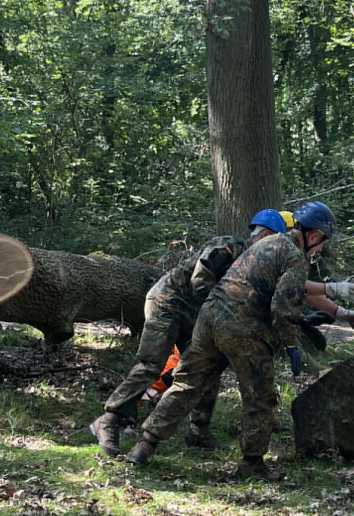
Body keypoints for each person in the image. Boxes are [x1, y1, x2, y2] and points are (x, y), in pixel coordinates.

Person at [126, 202, 337, 480]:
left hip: (209, 318)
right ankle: (252, 464)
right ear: (313, 236)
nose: (320, 248)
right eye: (321, 242)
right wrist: (291, 345)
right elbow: (283, 309)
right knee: (260, 397)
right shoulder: (296, 257)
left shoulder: (267, 243)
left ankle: (145, 445)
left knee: (186, 383)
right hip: (243, 328)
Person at [88, 235, 246, 457]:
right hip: (168, 301)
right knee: (151, 364)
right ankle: (109, 420)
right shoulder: (231, 246)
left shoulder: (251, 263)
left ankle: (199, 431)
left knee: (208, 365)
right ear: (266, 235)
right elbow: (200, 281)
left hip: (193, 313)